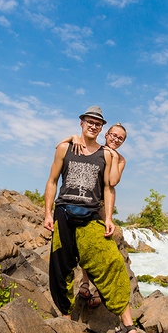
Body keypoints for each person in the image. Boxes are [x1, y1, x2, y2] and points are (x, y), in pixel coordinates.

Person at [43, 107, 144, 333]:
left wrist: (108, 218)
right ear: (81, 123)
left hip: (90, 215)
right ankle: (66, 320)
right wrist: (47, 213)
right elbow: (52, 181)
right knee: (61, 267)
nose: (93, 126)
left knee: (112, 262)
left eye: (98, 123)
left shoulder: (107, 155)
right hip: (64, 213)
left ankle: (127, 324)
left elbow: (110, 187)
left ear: (102, 128)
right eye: (90, 121)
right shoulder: (65, 148)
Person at [58, 123, 128, 308]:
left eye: (120, 138)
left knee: (101, 247)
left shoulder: (120, 159)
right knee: (84, 249)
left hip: (101, 207)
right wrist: (72, 137)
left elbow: (112, 181)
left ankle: (98, 288)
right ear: (106, 134)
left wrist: (112, 156)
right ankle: (85, 282)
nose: (116, 139)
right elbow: (59, 148)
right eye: (113, 135)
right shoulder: (90, 147)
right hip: (82, 203)